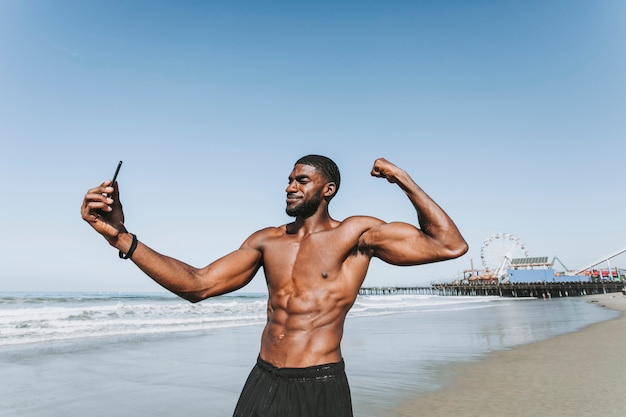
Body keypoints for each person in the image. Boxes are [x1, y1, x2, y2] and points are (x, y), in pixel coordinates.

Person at [81, 155, 468, 417]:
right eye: (288, 180)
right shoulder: (267, 241)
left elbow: (449, 245)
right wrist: (119, 237)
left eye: (302, 180)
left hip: (320, 383)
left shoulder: (356, 234)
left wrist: (402, 179)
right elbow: (197, 285)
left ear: (327, 189)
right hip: (263, 379)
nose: (290, 187)